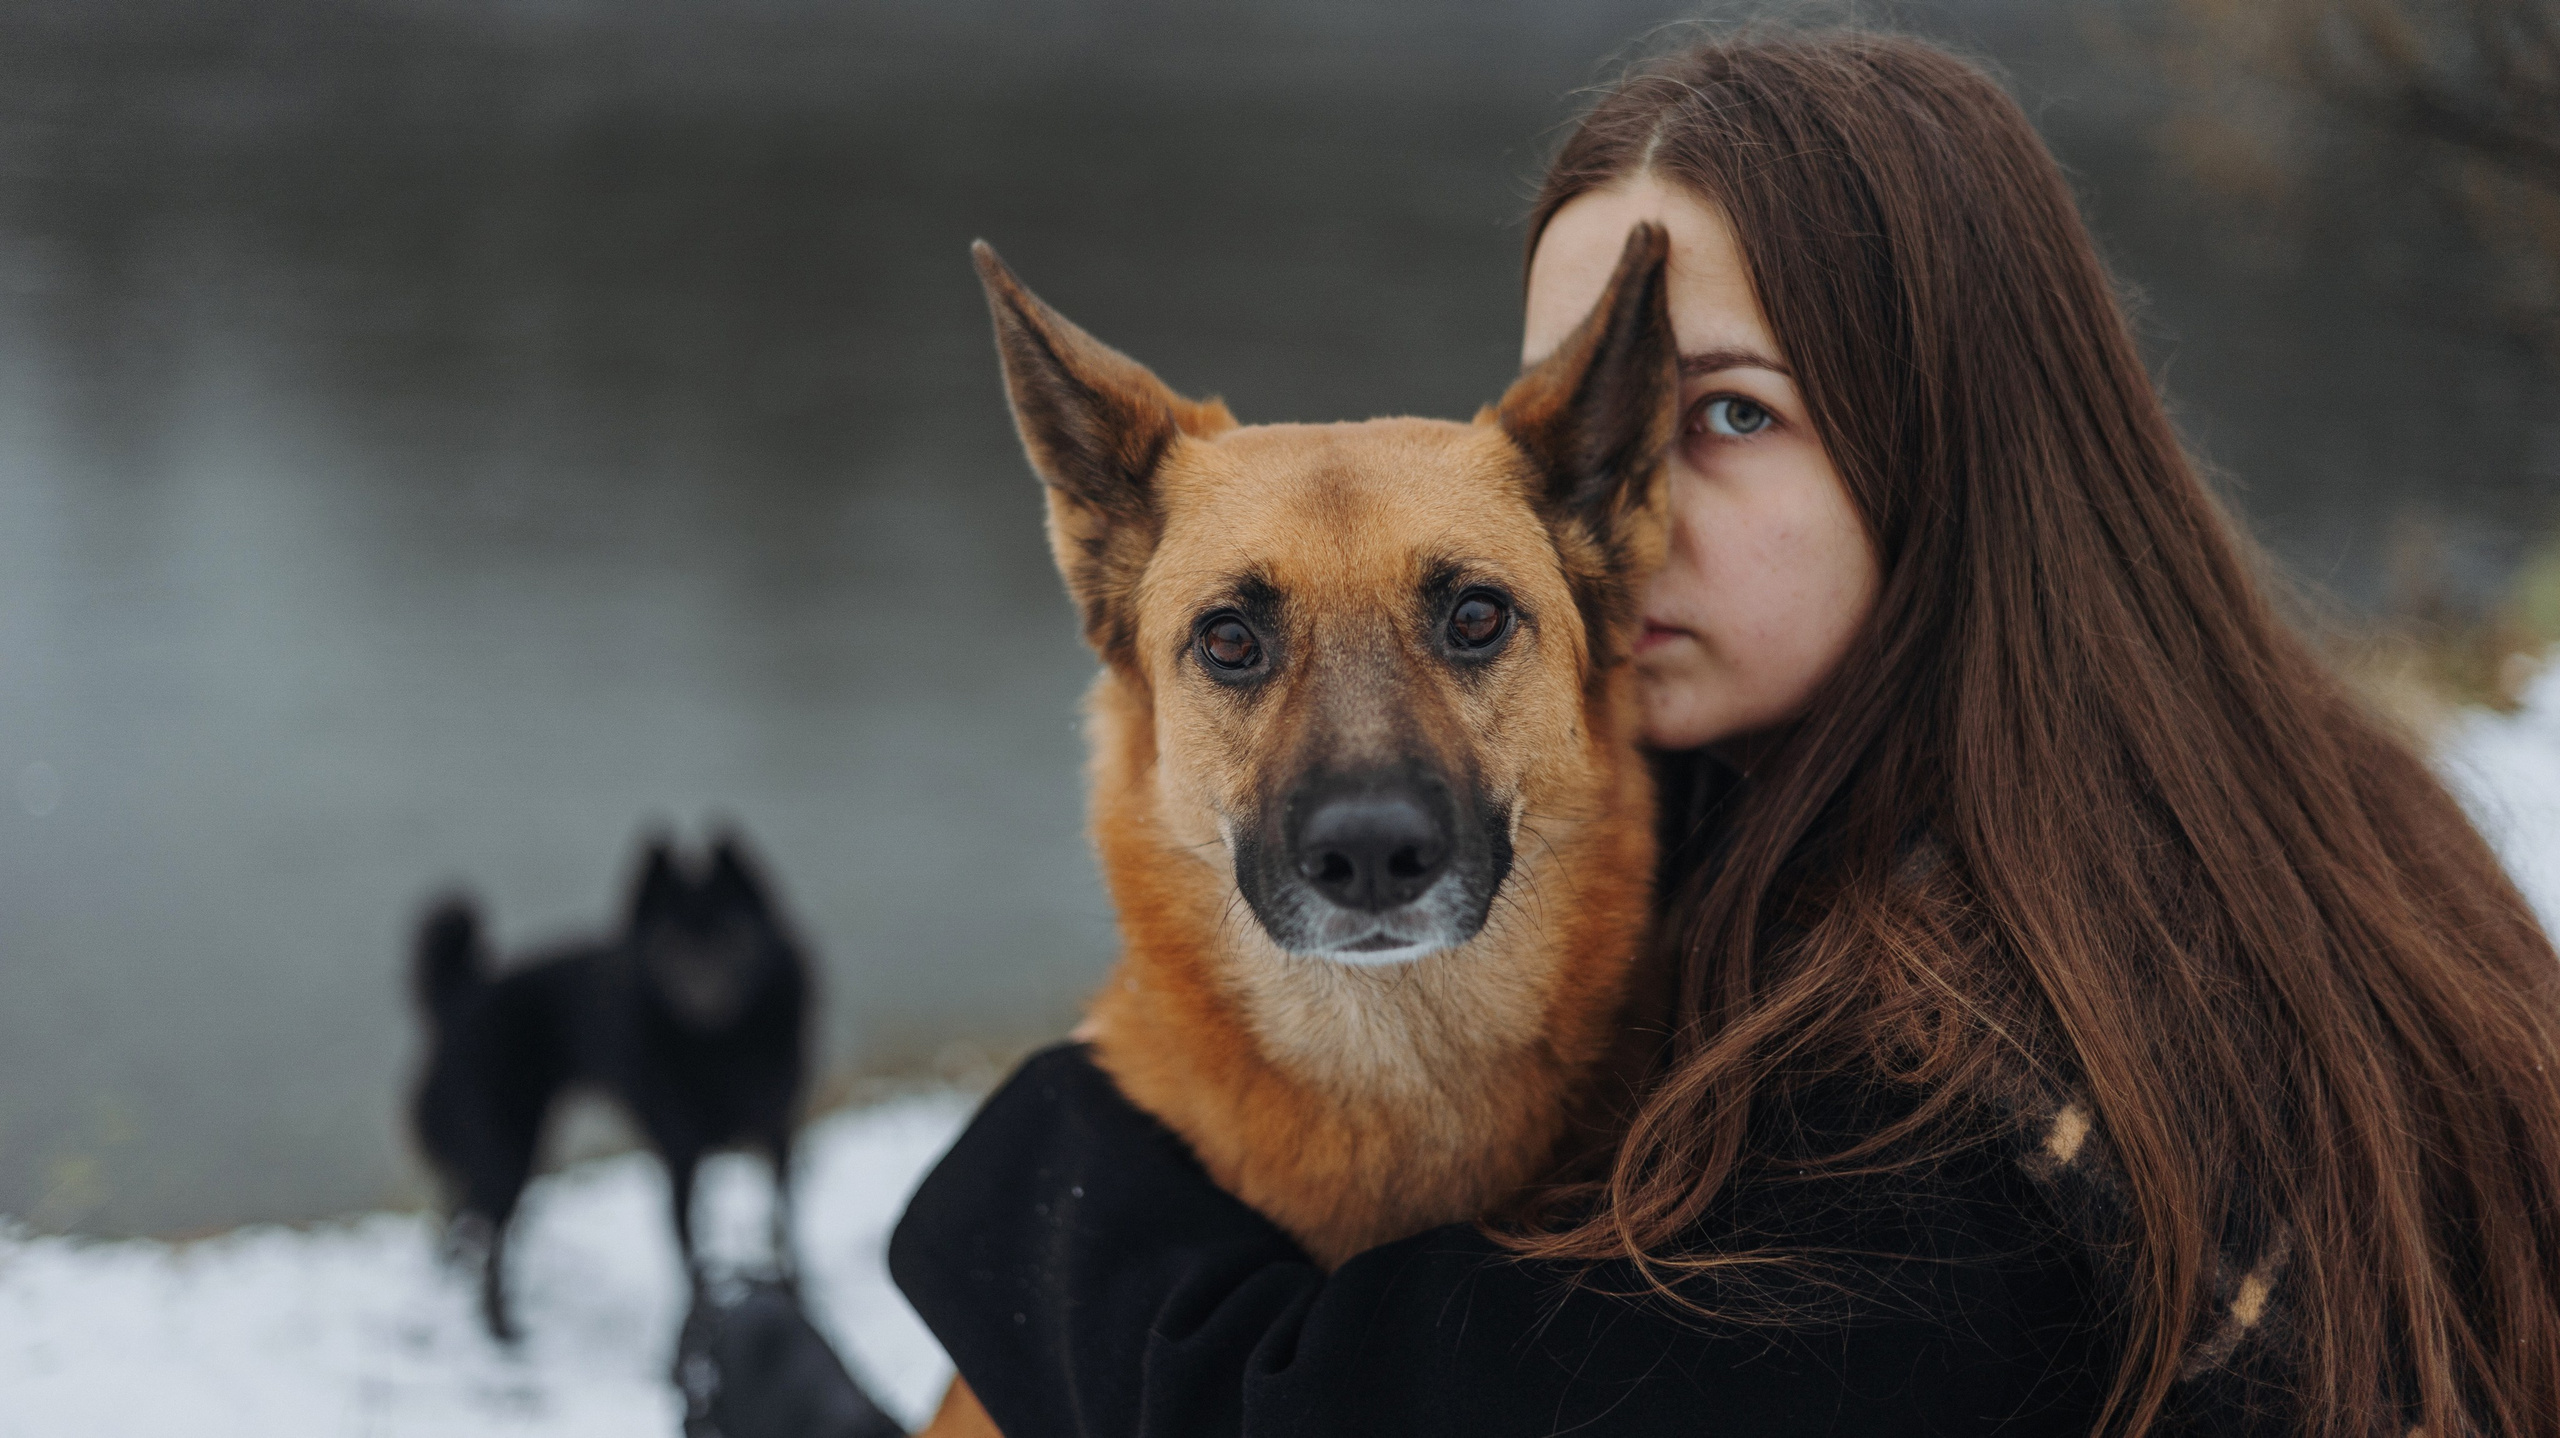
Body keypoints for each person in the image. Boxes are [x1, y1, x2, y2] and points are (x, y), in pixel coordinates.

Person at [890, 28, 2560, 1438]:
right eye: (1595, 413)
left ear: (1951, 445)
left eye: (1727, 415)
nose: (1610, 506)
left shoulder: (1945, 1108)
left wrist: (1027, 1178)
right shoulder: (2257, 803)